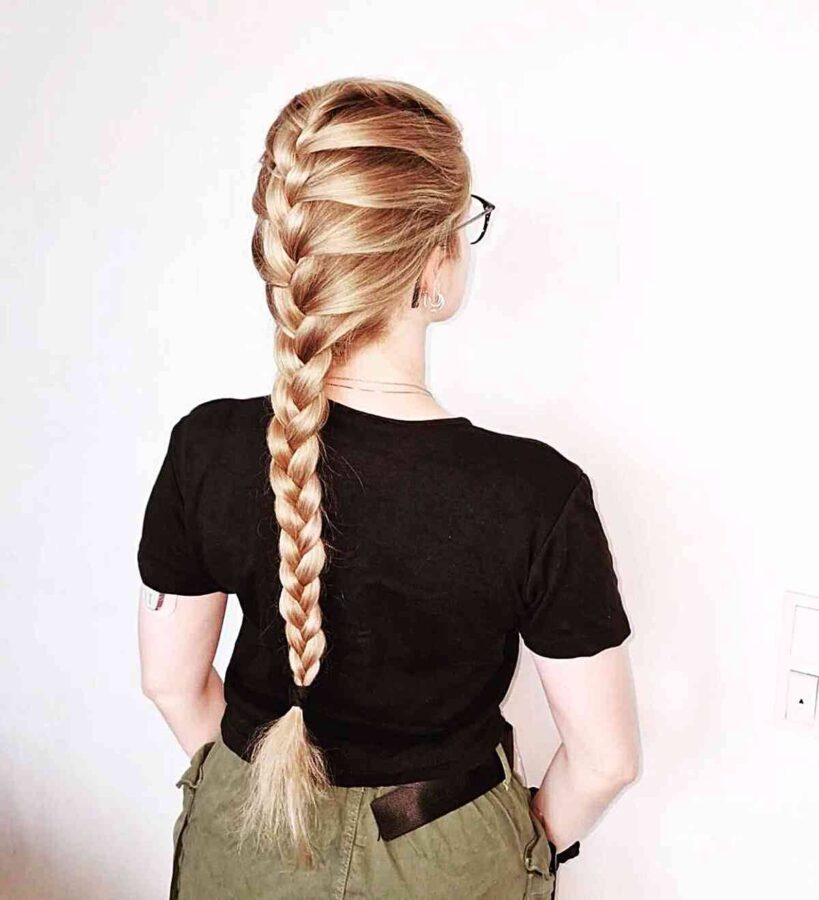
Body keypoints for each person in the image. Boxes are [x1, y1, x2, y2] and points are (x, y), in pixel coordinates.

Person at [136, 76, 640, 900]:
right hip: (446, 846)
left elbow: (171, 682)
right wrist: (524, 851)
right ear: (433, 263)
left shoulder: (206, 444)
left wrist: (248, 793)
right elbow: (605, 759)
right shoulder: (534, 492)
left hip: (245, 833)